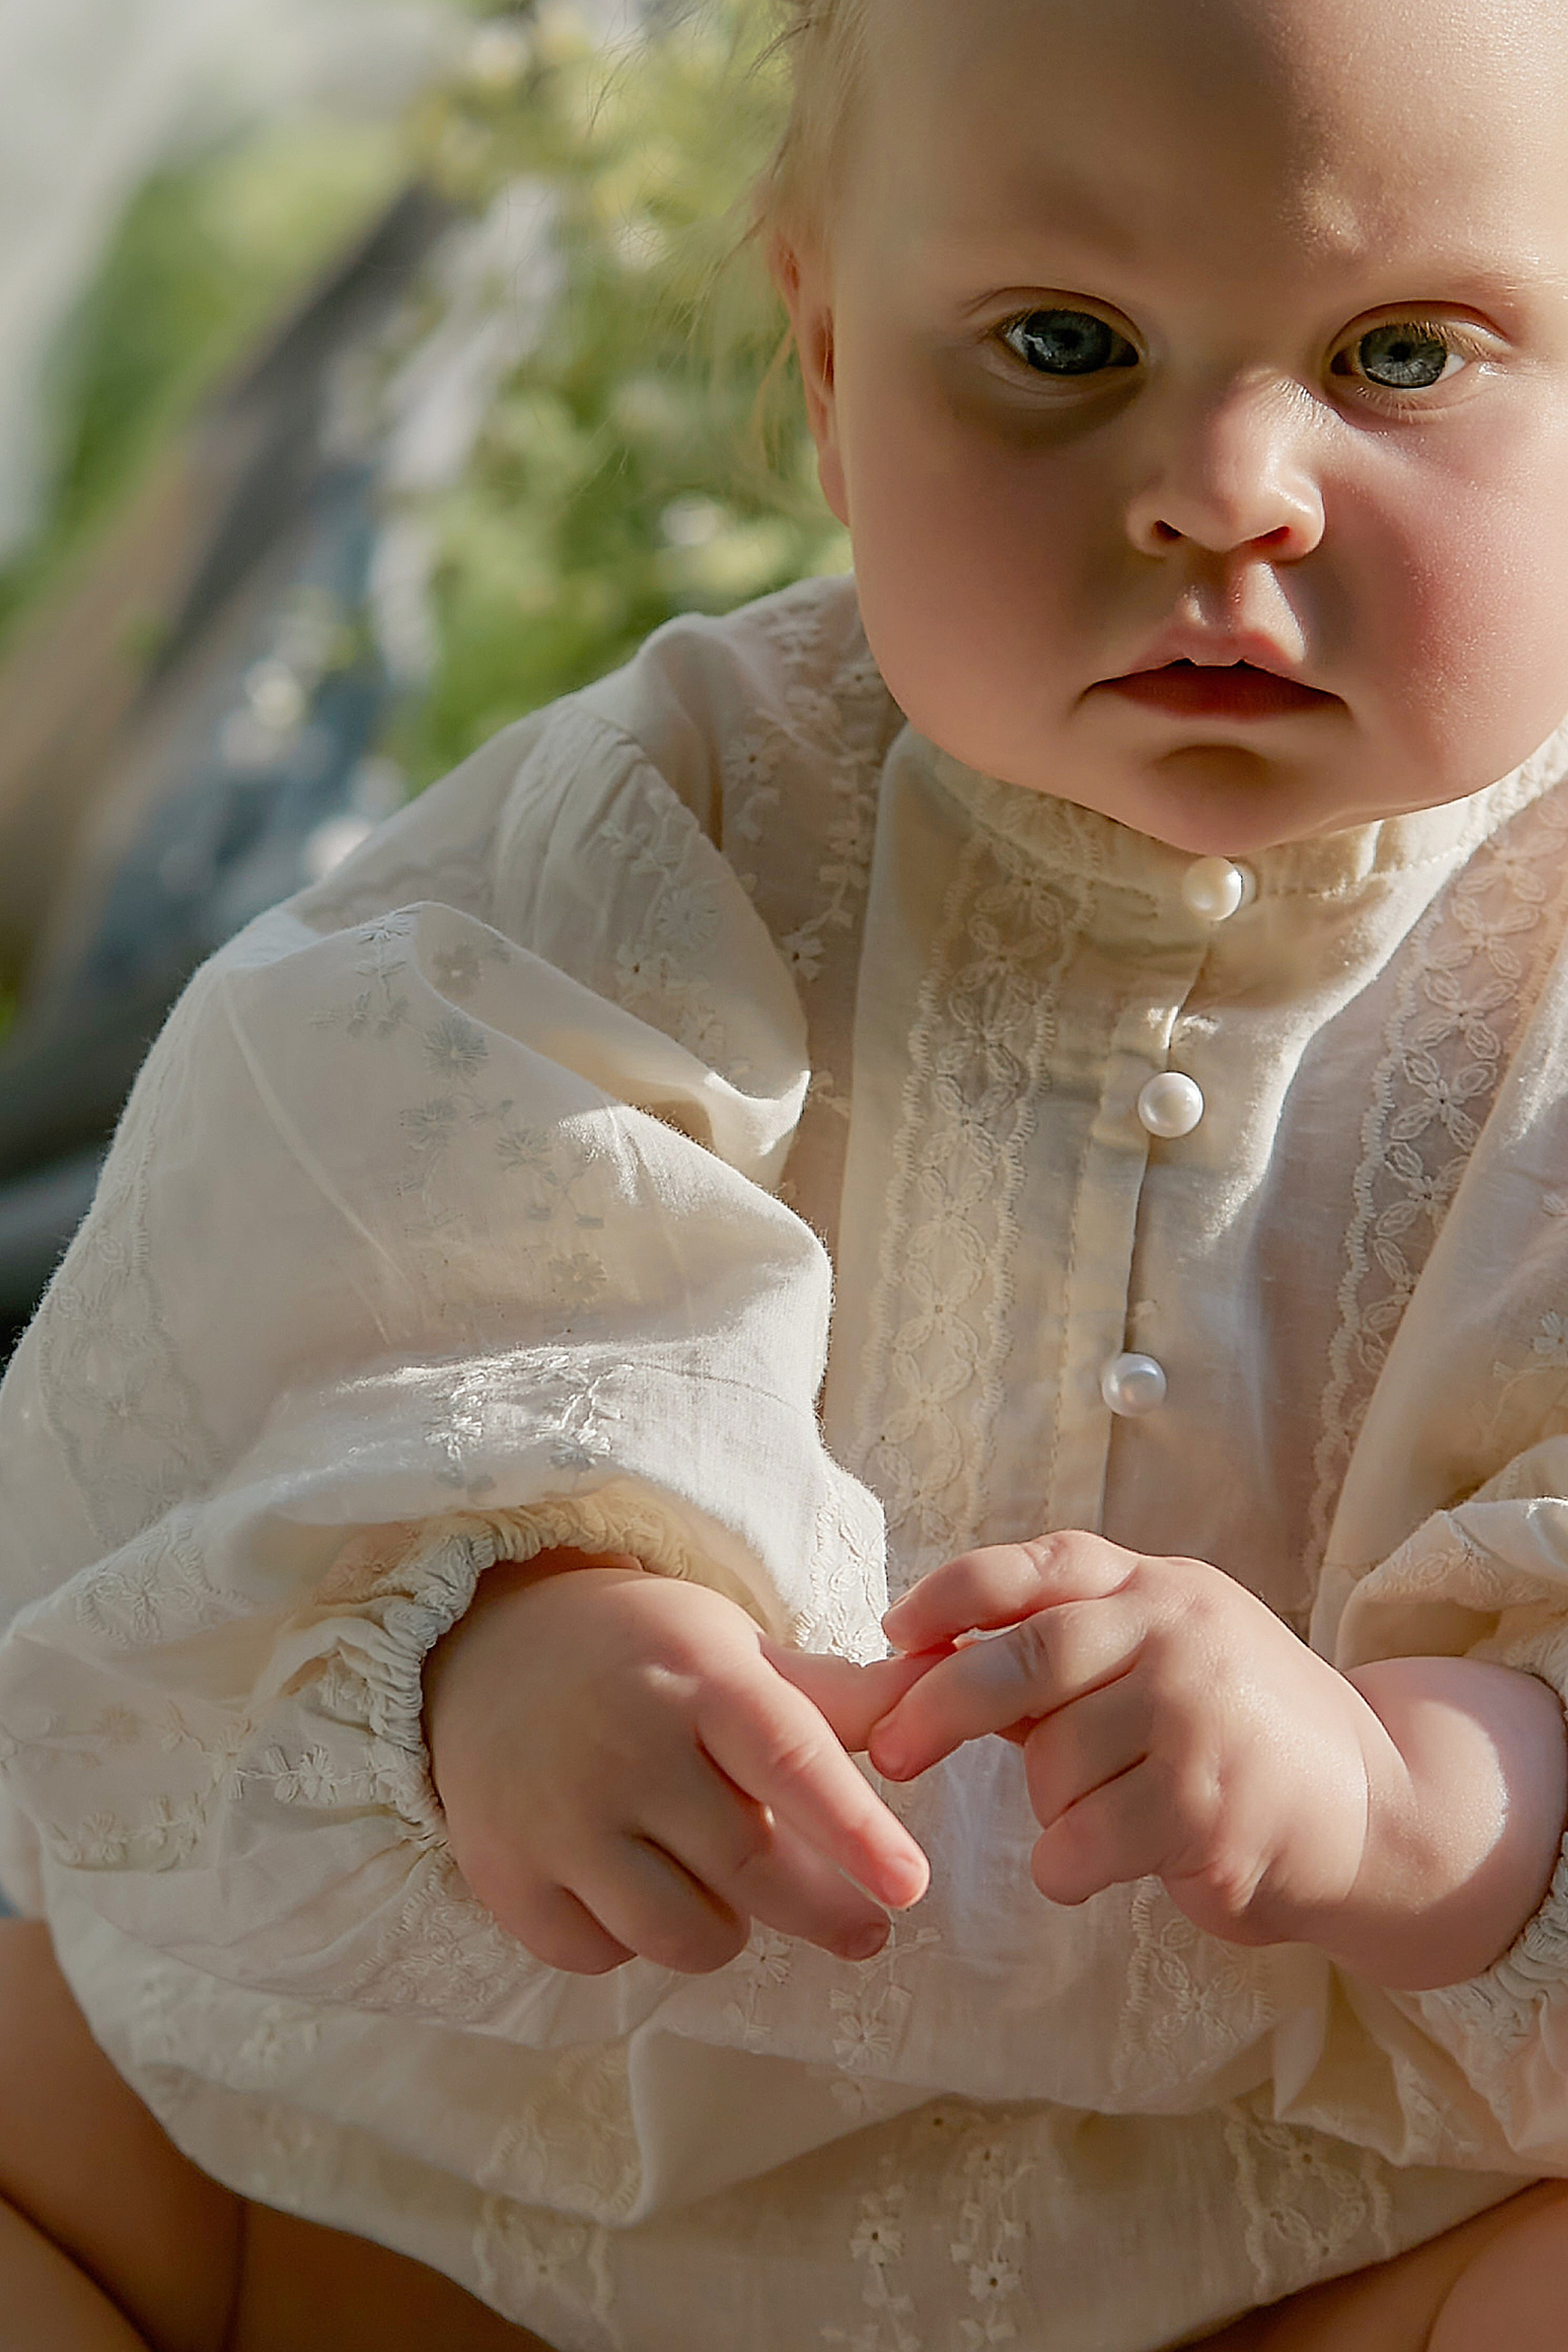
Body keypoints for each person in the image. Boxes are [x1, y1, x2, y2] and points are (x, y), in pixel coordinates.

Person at [9, 0, 1568, 2342]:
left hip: (1289, 2221)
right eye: (1064, 341)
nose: (1232, 482)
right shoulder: (674, 824)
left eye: (1404, 353)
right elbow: (360, 1259)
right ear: (830, 374)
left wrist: (1402, 1798)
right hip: (497, 2147)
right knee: (55, 2045)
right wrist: (524, 1624)